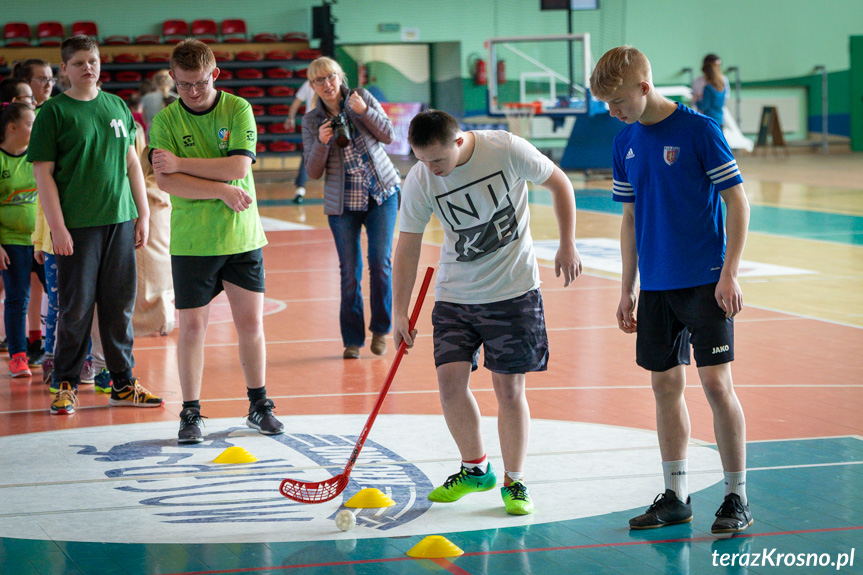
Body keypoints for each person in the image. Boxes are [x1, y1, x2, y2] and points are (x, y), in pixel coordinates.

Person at [589, 46, 752, 534]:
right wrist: (626, 288)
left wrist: (730, 271)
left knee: (717, 386)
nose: (613, 112)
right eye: (607, 106)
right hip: (656, 287)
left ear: (643, 87)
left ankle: (735, 497)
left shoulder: (700, 131)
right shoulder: (625, 143)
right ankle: (676, 495)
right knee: (665, 386)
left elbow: (738, 204)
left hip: (705, 281)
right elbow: (630, 217)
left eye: (618, 102)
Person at [393, 109, 582, 515]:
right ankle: (475, 468)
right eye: (422, 161)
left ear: (458, 142)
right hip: (454, 294)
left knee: (509, 391)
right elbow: (406, 246)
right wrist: (398, 310)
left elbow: (559, 183)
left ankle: (515, 480)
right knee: (449, 386)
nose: (432, 170)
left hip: (512, 291)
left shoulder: (505, 149)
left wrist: (567, 242)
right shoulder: (421, 177)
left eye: (438, 160)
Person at [148, 39, 283, 444]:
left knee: (250, 324)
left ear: (215, 75)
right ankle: (190, 412)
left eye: (201, 83)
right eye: (185, 84)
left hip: (241, 238)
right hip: (192, 243)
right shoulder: (165, 121)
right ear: (173, 78)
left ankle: (259, 405)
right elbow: (167, 181)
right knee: (191, 328)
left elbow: (238, 165)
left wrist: (185, 165)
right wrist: (222, 190)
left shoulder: (237, 109)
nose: (193, 91)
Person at [28, 35, 163, 415]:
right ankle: (66, 383)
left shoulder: (118, 106)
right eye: (79, 62)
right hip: (77, 227)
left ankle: (122, 382)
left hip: (119, 222)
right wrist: (57, 227)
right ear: (65, 69)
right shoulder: (54, 113)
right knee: (75, 308)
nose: (88, 67)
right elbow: (43, 175)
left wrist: (143, 213)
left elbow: (132, 163)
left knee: (119, 307)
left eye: (93, 60)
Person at [302, 57, 401, 360]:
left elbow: (389, 136)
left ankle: (381, 329)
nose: (327, 84)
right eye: (319, 80)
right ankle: (352, 340)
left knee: (380, 264)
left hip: (381, 195)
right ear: (312, 86)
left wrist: (364, 112)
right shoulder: (310, 121)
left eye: (331, 77)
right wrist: (321, 142)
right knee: (349, 272)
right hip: (342, 204)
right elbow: (313, 172)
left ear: (340, 77)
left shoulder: (362, 98)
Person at [0, 103, 40, 378]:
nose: (35, 129)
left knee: (62, 297)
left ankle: (57, 354)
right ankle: (17, 356)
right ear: (12, 127)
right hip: (11, 241)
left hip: (42, 242)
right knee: (17, 298)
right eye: (30, 124)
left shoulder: (38, 156)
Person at [131, 117, 174, 338]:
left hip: (148, 246)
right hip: (163, 250)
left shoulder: (139, 190)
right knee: (160, 286)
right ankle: (163, 319)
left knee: (145, 284)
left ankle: (148, 322)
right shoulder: (164, 188)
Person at [283, 80, 312, 203]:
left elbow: (296, 102)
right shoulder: (311, 83)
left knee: (307, 157)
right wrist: (290, 118)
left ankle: (300, 189)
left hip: (314, 125)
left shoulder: (310, 83)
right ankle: (300, 189)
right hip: (315, 125)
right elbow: (297, 102)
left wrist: (291, 118)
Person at [691, 54, 729, 126]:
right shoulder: (698, 82)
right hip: (718, 118)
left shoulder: (709, 88)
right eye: (716, 65)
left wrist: (697, 100)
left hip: (709, 119)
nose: (718, 68)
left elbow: (704, 106)